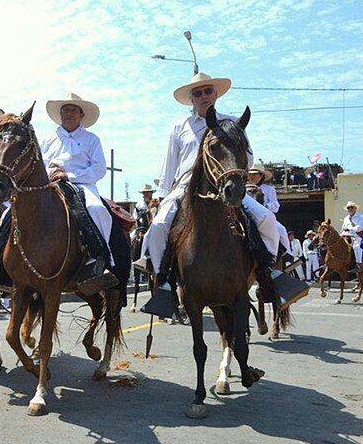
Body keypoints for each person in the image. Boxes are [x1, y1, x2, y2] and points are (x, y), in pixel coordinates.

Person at [138, 72, 291, 316]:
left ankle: (268, 275)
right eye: (197, 93)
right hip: (186, 186)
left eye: (208, 91)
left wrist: (234, 175)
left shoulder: (231, 122)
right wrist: (162, 194)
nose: (203, 96)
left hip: (225, 184)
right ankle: (163, 283)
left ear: (216, 94)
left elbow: (248, 156)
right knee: (157, 228)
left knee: (267, 220)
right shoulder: (180, 127)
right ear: (191, 99)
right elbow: (170, 164)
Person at [41, 93, 117, 286]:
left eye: (73, 110)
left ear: (82, 115)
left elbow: (99, 168)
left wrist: (70, 176)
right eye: (65, 110)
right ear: (60, 114)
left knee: (97, 210)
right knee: (12, 212)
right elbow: (39, 166)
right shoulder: (47, 140)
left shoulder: (92, 139)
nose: (68, 114)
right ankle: (7, 268)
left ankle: (101, 259)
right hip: (50, 185)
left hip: (82, 185)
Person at [341, 201, 363, 269]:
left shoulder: (360, 217)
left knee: (356, 247)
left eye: (352, 207)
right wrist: (341, 234)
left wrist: (349, 229)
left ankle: (358, 264)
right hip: (347, 236)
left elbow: (360, 227)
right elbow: (343, 228)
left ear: (355, 208)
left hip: (356, 236)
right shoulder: (346, 218)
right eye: (348, 208)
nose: (350, 209)